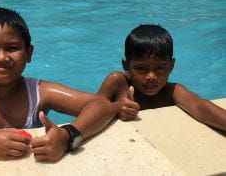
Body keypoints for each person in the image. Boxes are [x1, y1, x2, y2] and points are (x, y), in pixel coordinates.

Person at [0, 7, 115, 161]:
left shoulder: (40, 92)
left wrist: (67, 137)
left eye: (13, 48)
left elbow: (103, 105)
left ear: (29, 53)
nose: (1, 57)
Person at [97, 24, 226, 131]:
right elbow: (91, 108)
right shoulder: (118, 83)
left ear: (171, 66)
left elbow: (199, 107)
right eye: (141, 68)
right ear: (126, 65)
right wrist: (114, 108)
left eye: (160, 68)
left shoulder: (172, 92)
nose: (151, 76)